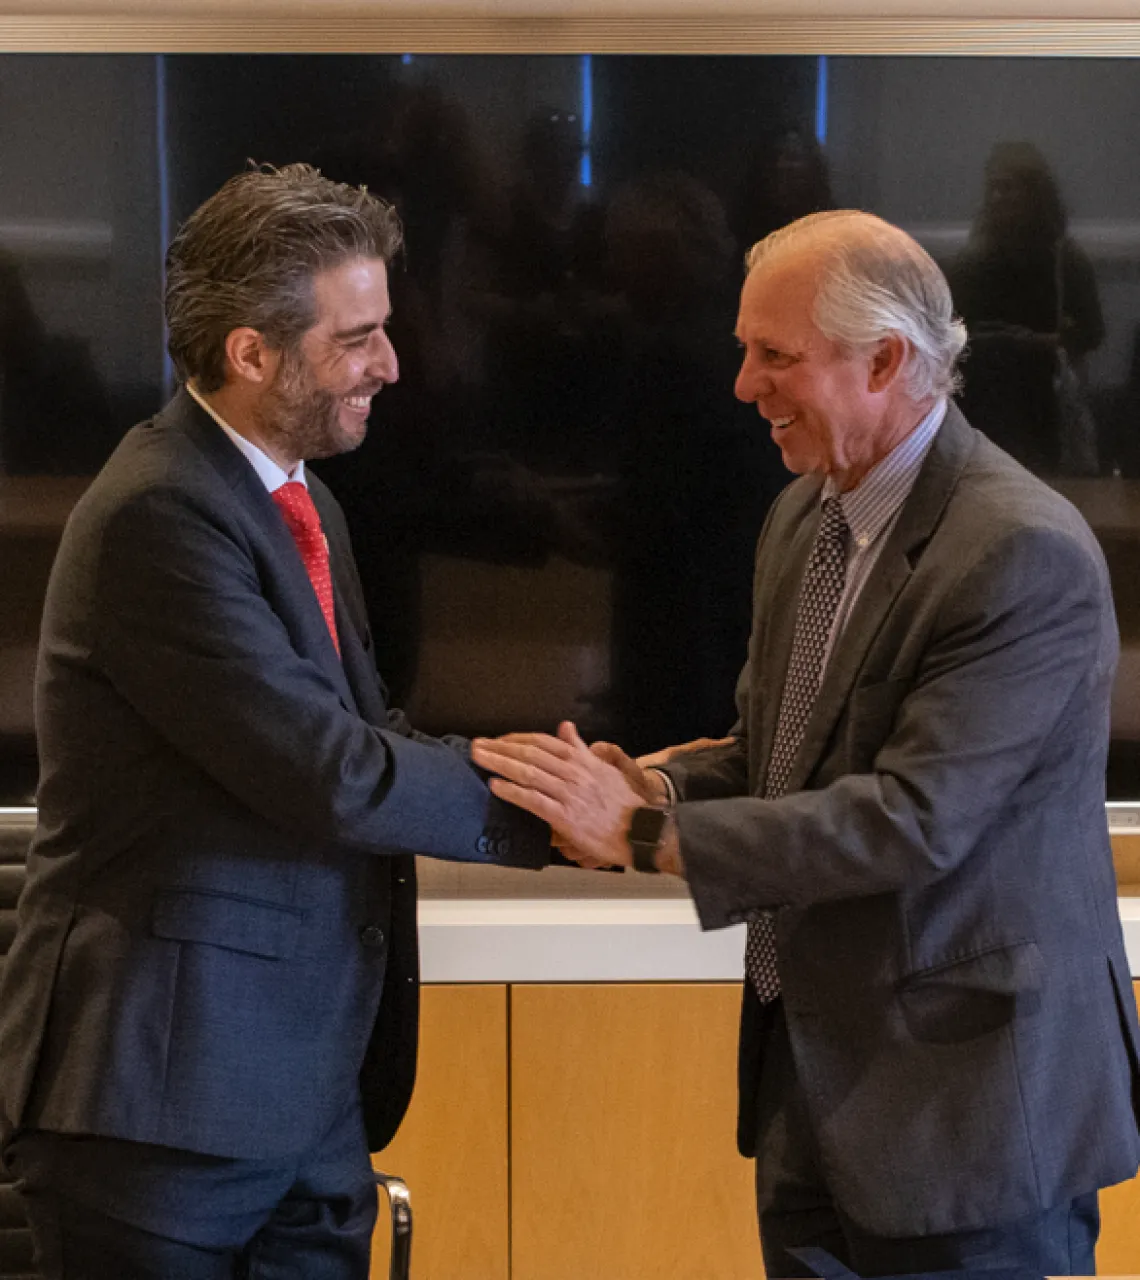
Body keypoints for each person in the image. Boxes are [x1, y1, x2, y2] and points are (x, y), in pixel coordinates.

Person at [472, 209, 1140, 1276]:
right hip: (811, 1086)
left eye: (773, 355)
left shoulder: (1020, 551)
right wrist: (656, 780)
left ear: (886, 360)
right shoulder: (801, 516)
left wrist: (644, 836)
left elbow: (911, 819)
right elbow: (780, 752)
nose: (742, 384)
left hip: (964, 1116)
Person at [0, 163, 551, 1280]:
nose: (391, 364)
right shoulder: (160, 511)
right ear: (251, 352)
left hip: (303, 1104)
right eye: (357, 337)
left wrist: (537, 765)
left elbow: (362, 727)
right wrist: (562, 812)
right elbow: (328, 770)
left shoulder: (294, 494)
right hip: (164, 1106)